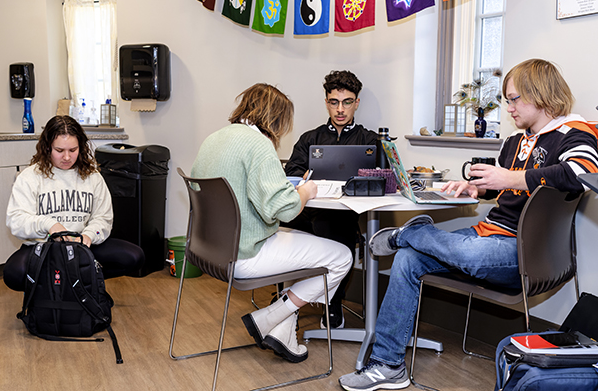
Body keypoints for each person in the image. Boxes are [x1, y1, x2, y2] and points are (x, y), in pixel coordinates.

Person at [339, 58, 598, 390]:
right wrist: (480, 188)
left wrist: (511, 177)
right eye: (507, 100)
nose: (509, 108)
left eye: (515, 99)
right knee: (407, 259)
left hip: (523, 250)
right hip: (484, 237)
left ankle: (411, 233)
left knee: (468, 254)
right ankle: (388, 365)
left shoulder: (572, 132)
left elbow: (580, 174)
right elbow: (506, 188)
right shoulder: (516, 141)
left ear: (541, 94)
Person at [191, 83, 352, 363]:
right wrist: (306, 191)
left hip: (209, 251)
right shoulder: (258, 145)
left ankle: (283, 333)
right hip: (243, 254)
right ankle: (269, 318)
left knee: (294, 244)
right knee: (341, 256)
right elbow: (285, 209)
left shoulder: (214, 139)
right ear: (275, 119)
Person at [3, 115, 145, 292]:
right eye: (59, 150)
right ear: (47, 147)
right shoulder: (30, 177)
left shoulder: (92, 177)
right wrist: (49, 225)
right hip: (43, 249)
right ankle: (66, 285)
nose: (67, 157)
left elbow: (103, 218)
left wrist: (89, 235)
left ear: (81, 147)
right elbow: (16, 220)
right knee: (13, 273)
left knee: (134, 256)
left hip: (83, 247)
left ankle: (73, 283)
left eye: (73, 149)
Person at [284, 70, 378, 329]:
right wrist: (302, 177)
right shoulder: (310, 138)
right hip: (307, 212)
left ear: (356, 103)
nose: (340, 109)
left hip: (344, 213)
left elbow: (381, 179)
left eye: (347, 102)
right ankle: (292, 303)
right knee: (318, 227)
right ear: (326, 102)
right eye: (334, 102)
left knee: (336, 229)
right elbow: (290, 175)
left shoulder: (369, 140)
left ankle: (332, 301)